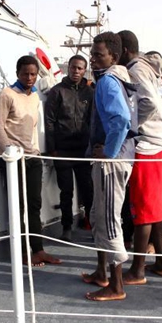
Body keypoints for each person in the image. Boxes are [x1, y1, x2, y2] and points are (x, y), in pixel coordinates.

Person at [81, 32, 135, 301]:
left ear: (113, 57)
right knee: (98, 214)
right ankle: (102, 272)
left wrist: (109, 152)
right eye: (92, 54)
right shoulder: (123, 79)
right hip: (120, 159)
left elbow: (121, 120)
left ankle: (116, 286)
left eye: (98, 55)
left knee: (108, 219)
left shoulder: (107, 82)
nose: (93, 59)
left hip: (112, 163)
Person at [0, 56, 61, 266]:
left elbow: (32, 128)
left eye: (33, 74)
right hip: (13, 158)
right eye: (25, 74)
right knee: (18, 206)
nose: (29, 78)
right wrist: (11, 150)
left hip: (32, 157)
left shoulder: (35, 97)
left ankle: (38, 249)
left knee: (34, 205)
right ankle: (22, 252)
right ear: (17, 73)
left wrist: (36, 151)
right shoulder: (6, 95)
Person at [118, 31, 162, 284]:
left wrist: (132, 127)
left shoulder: (136, 70)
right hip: (160, 142)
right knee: (156, 208)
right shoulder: (149, 69)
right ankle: (160, 262)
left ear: (123, 51)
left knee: (142, 208)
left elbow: (149, 103)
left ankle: (137, 269)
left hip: (148, 144)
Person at [44, 54, 94, 242]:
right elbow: (49, 121)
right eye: (73, 67)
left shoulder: (90, 93)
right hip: (62, 149)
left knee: (88, 190)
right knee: (66, 191)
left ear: (84, 70)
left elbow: (93, 120)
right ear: (69, 68)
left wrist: (92, 145)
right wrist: (52, 148)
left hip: (83, 150)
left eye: (80, 68)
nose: (76, 71)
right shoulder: (57, 91)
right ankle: (66, 227)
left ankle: (92, 225)